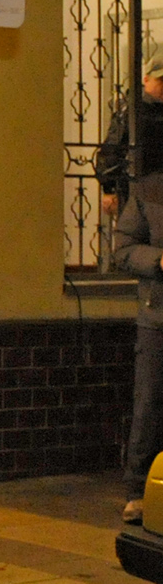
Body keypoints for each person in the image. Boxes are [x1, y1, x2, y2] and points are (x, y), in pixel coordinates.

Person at [114, 175, 163, 523]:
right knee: (149, 402)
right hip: (158, 316)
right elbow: (123, 249)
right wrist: (159, 260)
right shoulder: (149, 191)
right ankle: (139, 491)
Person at [97, 55, 163, 223]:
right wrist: (109, 188)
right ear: (146, 79)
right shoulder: (133, 109)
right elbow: (113, 147)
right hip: (137, 191)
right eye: (161, 80)